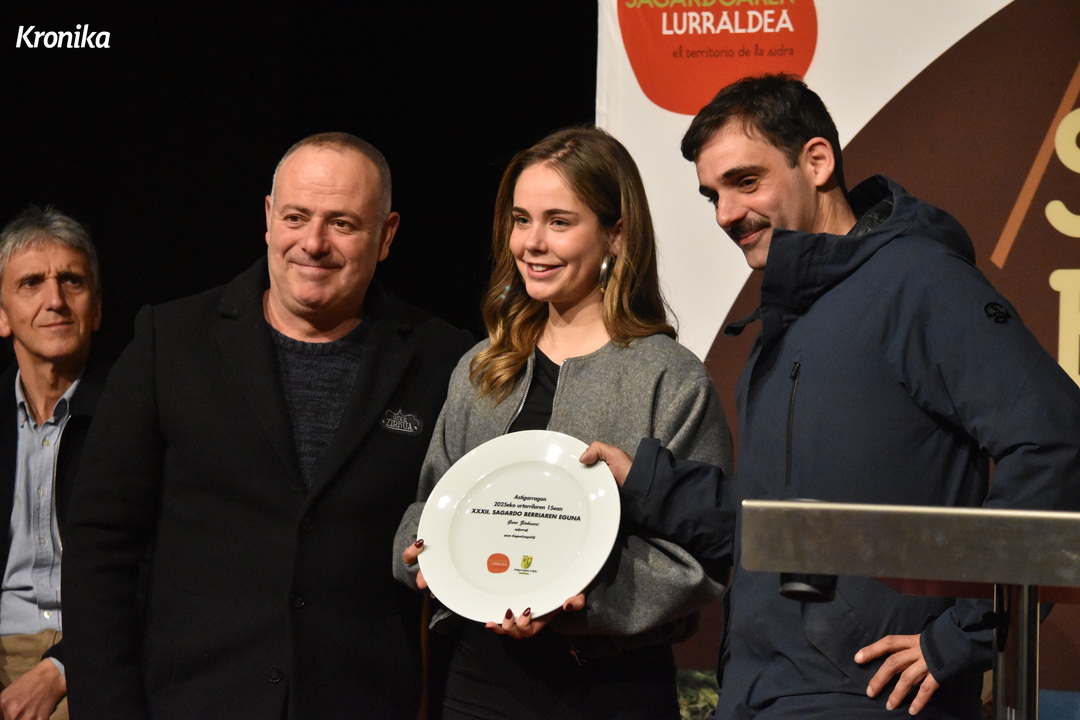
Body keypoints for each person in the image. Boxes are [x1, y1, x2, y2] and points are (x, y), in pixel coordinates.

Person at [581, 74, 1080, 719]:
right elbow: (787, 526)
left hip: (867, 697)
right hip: (762, 690)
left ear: (817, 161)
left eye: (745, 181)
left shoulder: (921, 281)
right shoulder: (792, 313)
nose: (726, 214)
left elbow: (1055, 440)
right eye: (712, 195)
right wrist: (650, 485)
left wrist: (962, 637)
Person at [60, 133, 473, 720]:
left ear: (386, 236)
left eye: (342, 224)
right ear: (268, 217)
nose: (314, 243)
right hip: (192, 702)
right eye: (296, 217)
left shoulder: (443, 360)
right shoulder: (169, 342)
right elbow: (101, 546)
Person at [395, 126, 733, 719]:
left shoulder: (670, 377)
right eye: (521, 220)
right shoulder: (483, 367)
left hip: (609, 690)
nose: (532, 243)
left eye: (558, 221)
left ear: (616, 234)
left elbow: (699, 554)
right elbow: (432, 500)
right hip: (478, 685)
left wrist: (580, 600)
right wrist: (424, 554)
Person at [0, 206, 105, 720]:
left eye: (72, 281)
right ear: (2, 316)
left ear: (97, 308)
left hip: (95, 652)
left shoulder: (135, 416)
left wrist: (64, 665)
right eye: (31, 283)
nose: (55, 300)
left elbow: (162, 574)